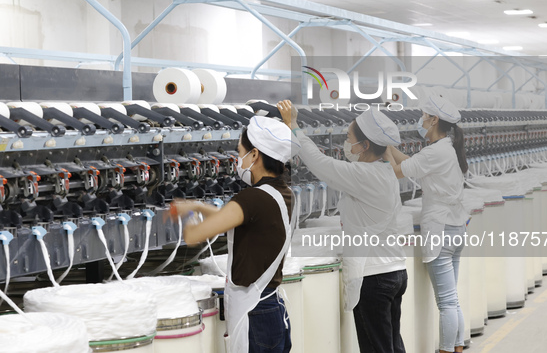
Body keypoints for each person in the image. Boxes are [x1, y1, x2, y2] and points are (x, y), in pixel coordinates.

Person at [278, 100, 408, 353]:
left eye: (349, 138)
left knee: (377, 348)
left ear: (365, 145)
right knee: (391, 345)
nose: (346, 143)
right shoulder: (384, 171)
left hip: (375, 276)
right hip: (394, 270)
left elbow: (319, 163)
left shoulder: (364, 174)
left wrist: (293, 126)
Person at [170, 115, 300, 353]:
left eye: (240, 153)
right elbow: (238, 218)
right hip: (272, 308)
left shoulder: (252, 198)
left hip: (256, 315)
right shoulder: (282, 192)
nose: (238, 160)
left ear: (255, 155)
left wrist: (184, 213)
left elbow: (192, 236)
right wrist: (198, 206)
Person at [383, 96, 469, 353]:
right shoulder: (447, 147)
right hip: (455, 228)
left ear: (433, 120)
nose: (420, 121)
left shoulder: (435, 152)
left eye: (423, 116)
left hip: (440, 231)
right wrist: (387, 144)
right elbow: (409, 163)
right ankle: (457, 347)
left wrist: (380, 147)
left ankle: (445, 350)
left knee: (446, 302)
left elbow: (396, 172)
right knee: (452, 299)